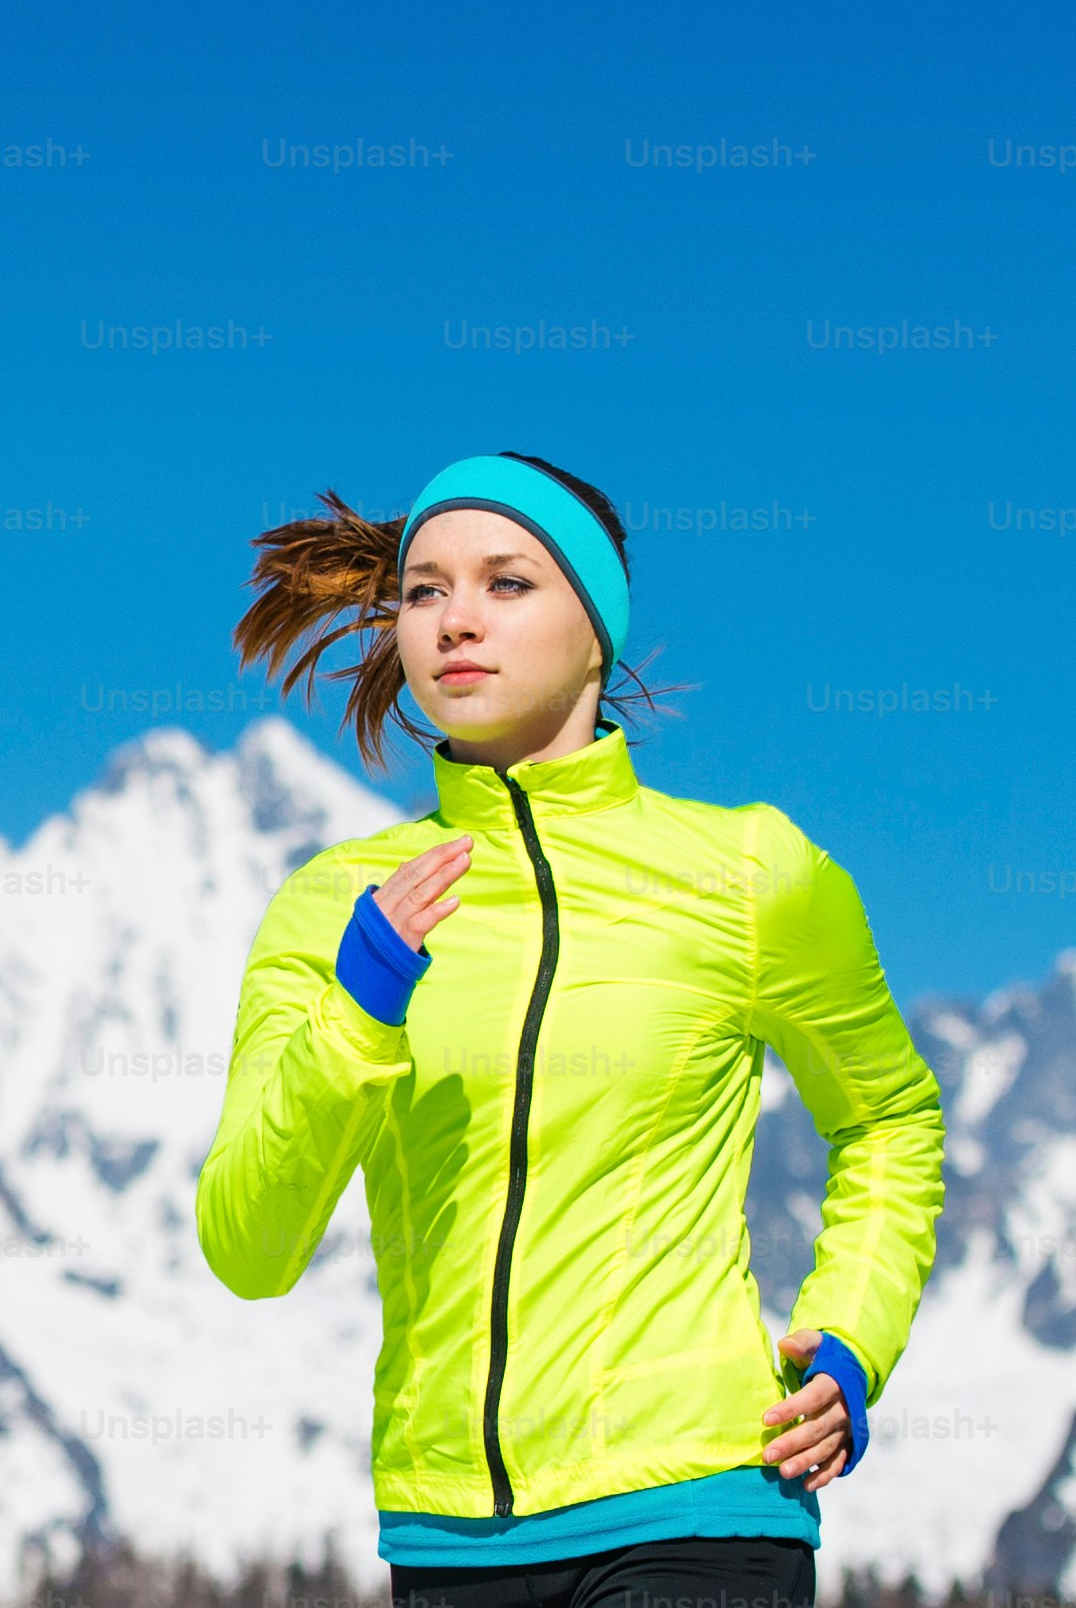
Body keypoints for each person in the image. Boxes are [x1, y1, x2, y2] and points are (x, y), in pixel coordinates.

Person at [199, 452, 945, 1608]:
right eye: (426, 591)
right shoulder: (333, 905)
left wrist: (852, 1338)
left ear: (597, 630)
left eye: (507, 585)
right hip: (448, 1544)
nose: (455, 622)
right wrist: (359, 1009)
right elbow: (249, 1243)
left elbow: (890, 1118)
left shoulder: (750, 873)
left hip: (700, 1507)